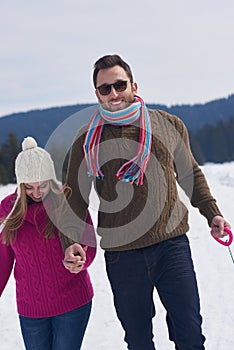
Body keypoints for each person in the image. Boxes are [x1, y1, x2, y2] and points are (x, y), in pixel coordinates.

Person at [62, 54, 231, 349]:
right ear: (97, 95)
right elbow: (74, 197)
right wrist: (70, 241)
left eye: (119, 84)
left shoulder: (167, 124)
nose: (114, 93)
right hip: (122, 255)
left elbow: (190, 175)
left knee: (190, 333)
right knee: (139, 340)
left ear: (134, 85)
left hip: (171, 245)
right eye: (105, 89)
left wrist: (212, 213)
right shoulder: (86, 139)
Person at [0, 136, 96, 350]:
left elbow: (88, 245)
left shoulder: (69, 203)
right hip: (31, 309)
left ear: (51, 180)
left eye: (42, 186)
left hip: (72, 303)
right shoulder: (8, 212)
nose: (36, 193)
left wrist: (80, 260)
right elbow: (2, 261)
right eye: (29, 188)